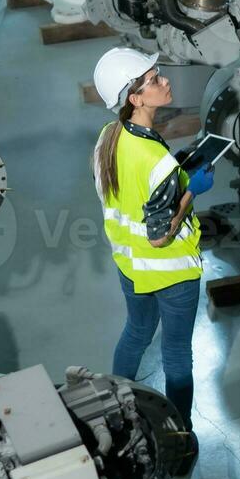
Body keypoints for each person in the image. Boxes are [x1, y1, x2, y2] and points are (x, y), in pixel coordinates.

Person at [92, 47, 215, 425]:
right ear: (136, 98)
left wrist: (173, 174)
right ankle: (181, 432)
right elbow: (160, 236)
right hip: (170, 271)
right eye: (155, 79)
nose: (165, 80)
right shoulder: (156, 162)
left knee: (136, 332)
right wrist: (191, 188)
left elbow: (131, 193)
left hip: (129, 266)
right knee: (176, 353)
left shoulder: (109, 137)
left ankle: (115, 412)